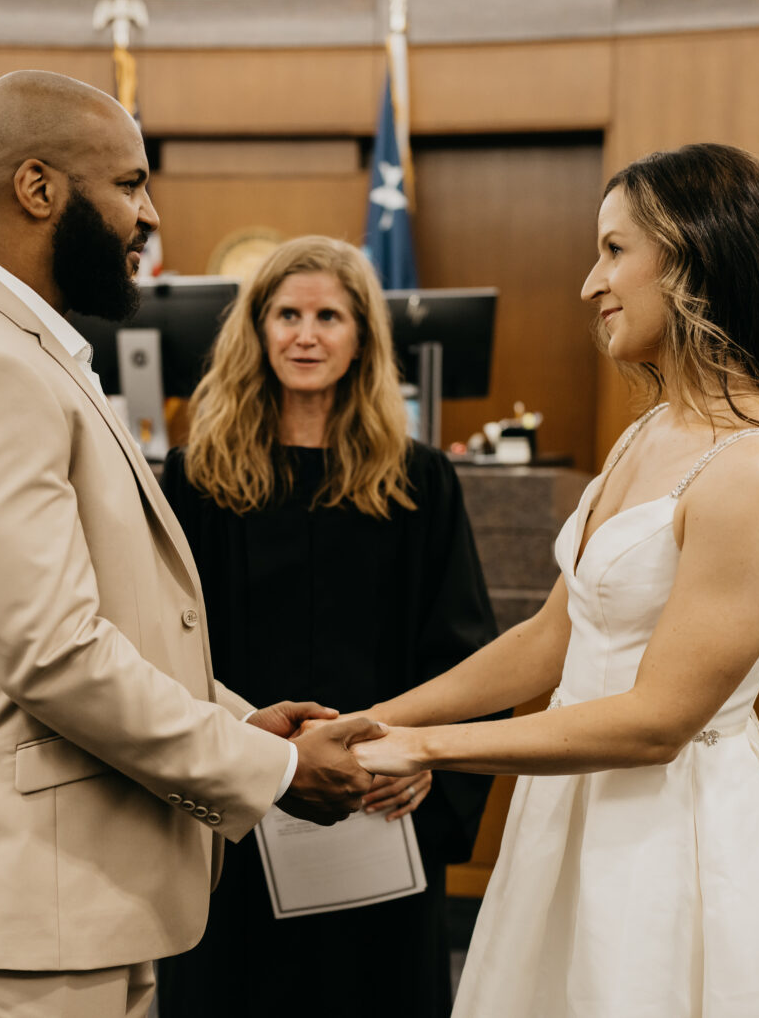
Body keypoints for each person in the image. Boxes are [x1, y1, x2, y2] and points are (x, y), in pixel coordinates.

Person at [0, 71, 382, 1018]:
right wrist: (275, 770)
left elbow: (113, 620)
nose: (149, 215)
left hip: (73, 894)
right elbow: (53, 653)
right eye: (130, 184)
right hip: (22, 903)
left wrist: (234, 722)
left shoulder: (22, 351)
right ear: (38, 188)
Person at [348, 143, 759, 1016]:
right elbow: (551, 641)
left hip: (667, 835)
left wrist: (429, 749)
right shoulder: (651, 431)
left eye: (615, 250)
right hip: (572, 806)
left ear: (698, 259)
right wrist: (385, 717)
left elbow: (658, 722)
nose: (591, 283)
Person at [154, 236, 500, 1018]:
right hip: (242, 801)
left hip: (381, 802)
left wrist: (429, 762)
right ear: (258, 330)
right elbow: (164, 648)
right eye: (286, 314)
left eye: (328, 316)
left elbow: (463, 648)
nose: (305, 334)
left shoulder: (420, 481)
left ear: (362, 339)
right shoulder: (195, 481)